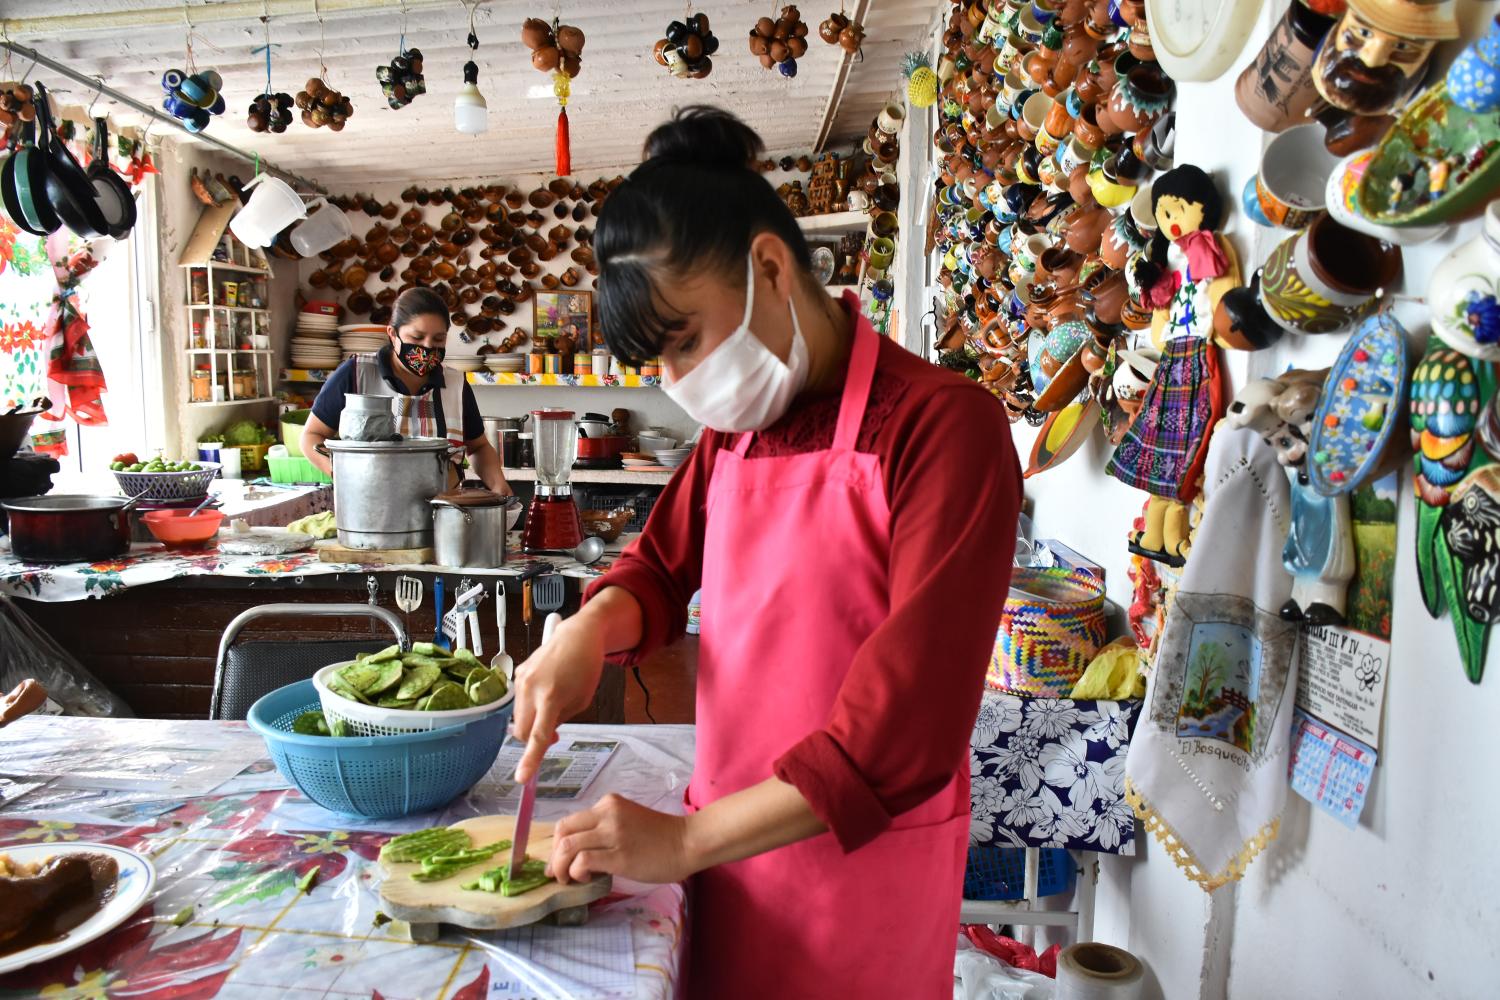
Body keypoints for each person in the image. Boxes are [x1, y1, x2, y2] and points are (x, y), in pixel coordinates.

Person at [510, 107, 1022, 999]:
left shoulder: (944, 428)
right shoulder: (737, 436)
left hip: (858, 875)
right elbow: (660, 570)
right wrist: (588, 631)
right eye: (656, 367)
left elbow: (906, 732)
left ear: (772, 267)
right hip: (728, 857)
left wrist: (683, 843)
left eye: (685, 343)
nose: (679, 385)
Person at [301, 288, 510, 493]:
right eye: (417, 338)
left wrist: (499, 485)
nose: (427, 348)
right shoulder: (356, 373)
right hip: (373, 511)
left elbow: (478, 447)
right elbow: (311, 435)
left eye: (438, 339)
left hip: (444, 513)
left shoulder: (455, 383)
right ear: (392, 334)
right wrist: (343, 473)